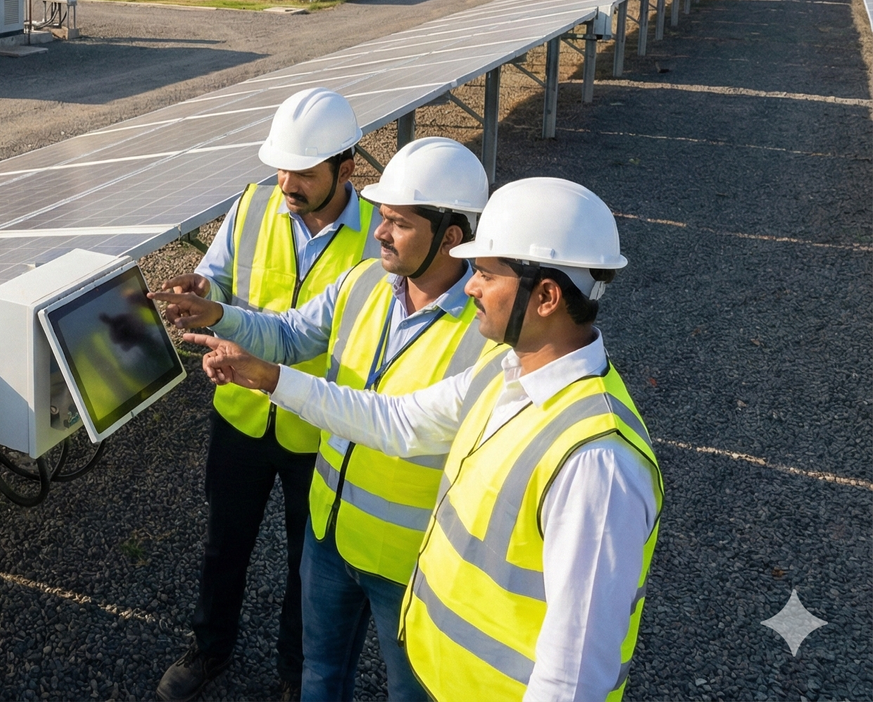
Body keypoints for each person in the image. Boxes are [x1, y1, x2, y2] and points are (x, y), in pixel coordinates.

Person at [186, 178, 663, 702]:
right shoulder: (505, 375)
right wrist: (271, 378)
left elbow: (575, 680)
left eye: (485, 273)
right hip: (440, 665)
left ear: (546, 296)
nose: (473, 287)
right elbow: (393, 420)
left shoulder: (596, 460)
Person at [153, 137, 491, 702]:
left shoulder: (485, 335)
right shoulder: (363, 284)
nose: (381, 233)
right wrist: (220, 314)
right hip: (330, 527)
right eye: (383, 219)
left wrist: (272, 379)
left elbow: (397, 423)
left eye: (399, 224)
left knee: (410, 691)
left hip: (404, 560)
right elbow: (287, 333)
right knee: (320, 675)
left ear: (452, 237)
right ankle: (219, 651)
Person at [153, 87, 379, 702]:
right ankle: (209, 649)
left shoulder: (376, 241)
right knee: (224, 543)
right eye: (281, 168)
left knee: (310, 566)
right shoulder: (253, 205)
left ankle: (294, 671)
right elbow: (220, 275)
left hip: (318, 426)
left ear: (346, 167)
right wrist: (203, 283)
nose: (287, 183)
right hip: (242, 414)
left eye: (304, 173)